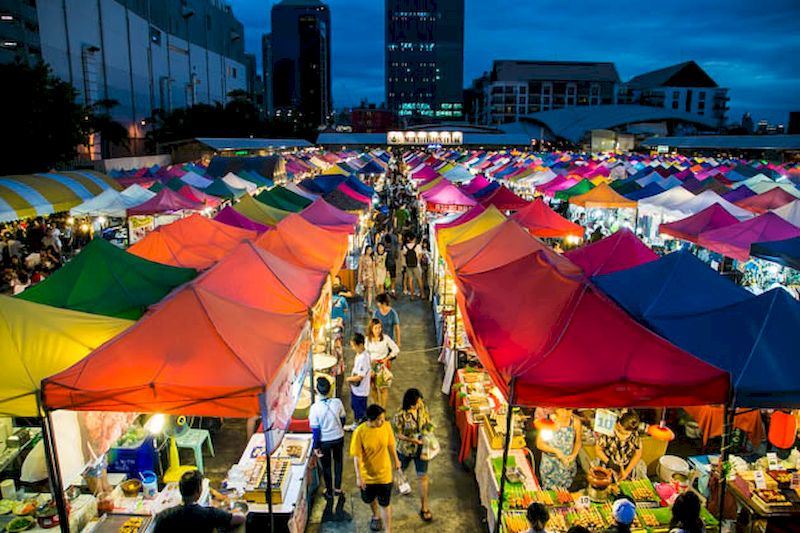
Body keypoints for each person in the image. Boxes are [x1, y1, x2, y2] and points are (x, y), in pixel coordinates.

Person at [350, 404, 402, 533]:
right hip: (367, 476)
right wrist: (359, 476)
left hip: (384, 475)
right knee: (370, 499)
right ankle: (375, 515)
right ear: (370, 420)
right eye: (379, 419)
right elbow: (357, 456)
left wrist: (396, 460)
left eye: (383, 418)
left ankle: (388, 530)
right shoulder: (359, 432)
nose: (382, 421)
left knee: (385, 503)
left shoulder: (386, 426)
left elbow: (391, 444)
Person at [308, 377, 350, 521]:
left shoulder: (314, 408)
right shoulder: (337, 402)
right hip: (338, 437)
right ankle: (338, 488)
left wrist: (316, 447)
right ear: (330, 389)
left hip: (324, 441)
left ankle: (330, 491)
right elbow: (343, 419)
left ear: (316, 390)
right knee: (338, 462)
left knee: (326, 466)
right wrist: (337, 427)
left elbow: (316, 431)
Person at [153, 470, 245, 533]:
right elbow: (240, 519)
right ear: (198, 492)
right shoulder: (210, 514)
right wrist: (234, 512)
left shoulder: (164, 516)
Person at [393, 388, 433, 522]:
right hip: (405, 449)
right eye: (416, 403)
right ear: (410, 404)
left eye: (420, 402)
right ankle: (401, 484)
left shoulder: (422, 407)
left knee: (423, 477)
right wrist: (412, 440)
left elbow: (427, 421)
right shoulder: (400, 414)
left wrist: (428, 432)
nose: (419, 405)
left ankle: (424, 507)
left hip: (421, 448)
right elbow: (397, 434)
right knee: (400, 470)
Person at [537, 408, 582, 489]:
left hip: (567, 464)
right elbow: (540, 444)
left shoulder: (575, 423)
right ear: (556, 409)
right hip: (550, 465)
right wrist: (556, 451)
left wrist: (573, 455)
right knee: (549, 493)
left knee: (564, 494)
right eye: (563, 410)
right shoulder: (549, 421)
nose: (566, 413)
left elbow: (578, 442)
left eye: (569, 410)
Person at [595, 410, 645, 481]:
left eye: (625, 434)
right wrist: (610, 463)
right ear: (617, 424)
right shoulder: (608, 432)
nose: (621, 436)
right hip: (608, 464)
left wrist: (627, 471)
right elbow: (598, 449)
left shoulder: (635, 437)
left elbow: (638, 454)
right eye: (619, 431)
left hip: (626, 465)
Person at [365, 318, 399, 408]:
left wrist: (387, 358)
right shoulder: (367, 340)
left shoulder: (385, 339)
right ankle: (377, 406)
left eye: (379, 328)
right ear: (371, 329)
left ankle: (383, 409)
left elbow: (396, 349)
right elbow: (365, 353)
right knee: (373, 387)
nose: (378, 330)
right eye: (376, 328)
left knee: (383, 388)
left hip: (382, 365)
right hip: (371, 365)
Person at [345, 333, 371, 431]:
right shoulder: (360, 354)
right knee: (355, 407)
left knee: (359, 410)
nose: (352, 348)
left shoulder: (364, 358)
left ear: (360, 345)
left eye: (353, 346)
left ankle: (360, 427)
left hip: (360, 390)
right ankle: (357, 423)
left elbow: (360, 376)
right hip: (356, 389)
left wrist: (349, 379)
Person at [401, 233, 423, 299]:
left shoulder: (405, 246)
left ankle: (412, 295)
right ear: (414, 239)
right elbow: (420, 255)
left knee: (410, 280)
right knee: (419, 279)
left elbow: (404, 255)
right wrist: (418, 261)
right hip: (416, 265)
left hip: (408, 265)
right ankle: (422, 294)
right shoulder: (418, 246)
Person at [358, 244, 378, 312]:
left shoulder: (372, 258)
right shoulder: (362, 257)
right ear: (366, 250)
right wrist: (359, 277)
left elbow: (374, 268)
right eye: (368, 249)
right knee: (364, 290)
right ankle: (364, 300)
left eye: (370, 250)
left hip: (370, 275)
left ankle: (369, 305)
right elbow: (360, 268)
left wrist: (375, 278)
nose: (369, 251)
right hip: (364, 275)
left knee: (370, 290)